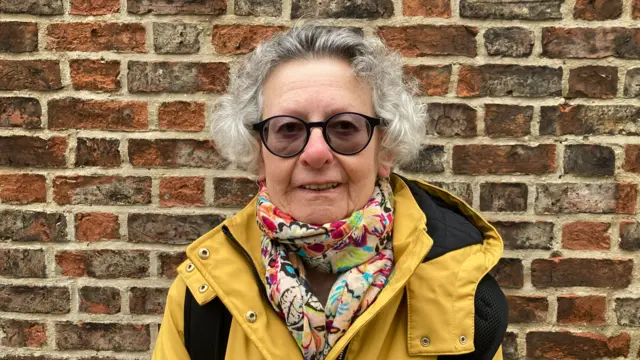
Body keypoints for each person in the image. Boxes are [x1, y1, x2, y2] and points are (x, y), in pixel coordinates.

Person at [153, 25, 507, 360]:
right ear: (258, 153)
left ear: (384, 150)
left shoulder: (460, 288)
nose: (317, 153)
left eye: (344, 127)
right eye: (288, 128)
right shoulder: (200, 296)